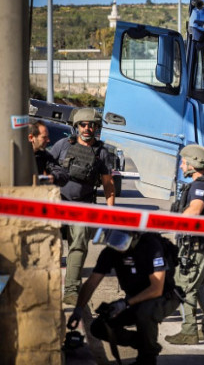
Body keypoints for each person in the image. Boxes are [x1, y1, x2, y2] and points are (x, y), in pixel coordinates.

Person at [67, 229, 181, 365]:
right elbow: (91, 282)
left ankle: (147, 359)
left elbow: (156, 289)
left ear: (134, 236)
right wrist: (78, 309)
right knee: (99, 327)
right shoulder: (111, 252)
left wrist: (124, 304)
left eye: (120, 240)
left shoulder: (151, 246)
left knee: (144, 312)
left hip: (163, 298)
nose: (117, 246)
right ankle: (144, 344)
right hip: (133, 299)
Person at [50, 108, 115, 305]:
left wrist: (110, 213)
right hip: (56, 203)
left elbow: (108, 184)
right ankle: (46, 287)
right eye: (83, 125)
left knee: (78, 246)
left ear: (96, 128)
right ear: (77, 126)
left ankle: (71, 290)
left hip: (82, 207)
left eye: (91, 125)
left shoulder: (102, 153)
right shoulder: (62, 145)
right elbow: (45, 168)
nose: (87, 129)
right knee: (50, 247)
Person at [165, 144, 204, 345]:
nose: (181, 166)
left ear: (193, 163)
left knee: (185, 286)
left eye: (183, 162)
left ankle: (189, 332)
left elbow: (195, 210)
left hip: (196, 245)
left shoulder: (199, 186)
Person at [28, 119, 68, 185]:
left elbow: (61, 174)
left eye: (48, 137)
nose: (48, 140)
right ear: (31, 138)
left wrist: (53, 177)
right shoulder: (16, 154)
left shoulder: (43, 156)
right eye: (44, 137)